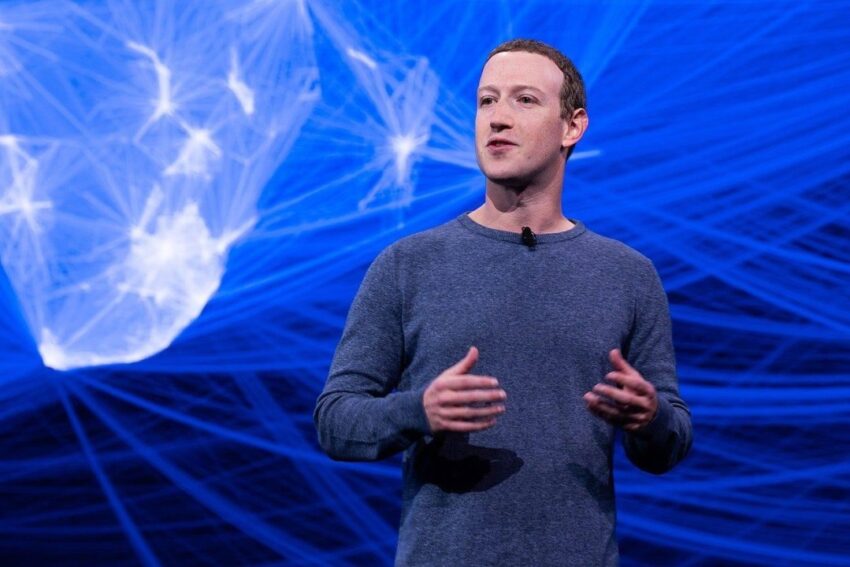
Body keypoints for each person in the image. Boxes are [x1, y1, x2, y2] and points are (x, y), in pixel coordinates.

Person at [314, 38, 692, 566]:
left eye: (524, 100)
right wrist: (418, 411)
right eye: (486, 101)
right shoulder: (408, 264)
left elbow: (670, 443)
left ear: (572, 127)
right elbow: (335, 421)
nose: (497, 118)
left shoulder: (627, 275)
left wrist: (650, 417)